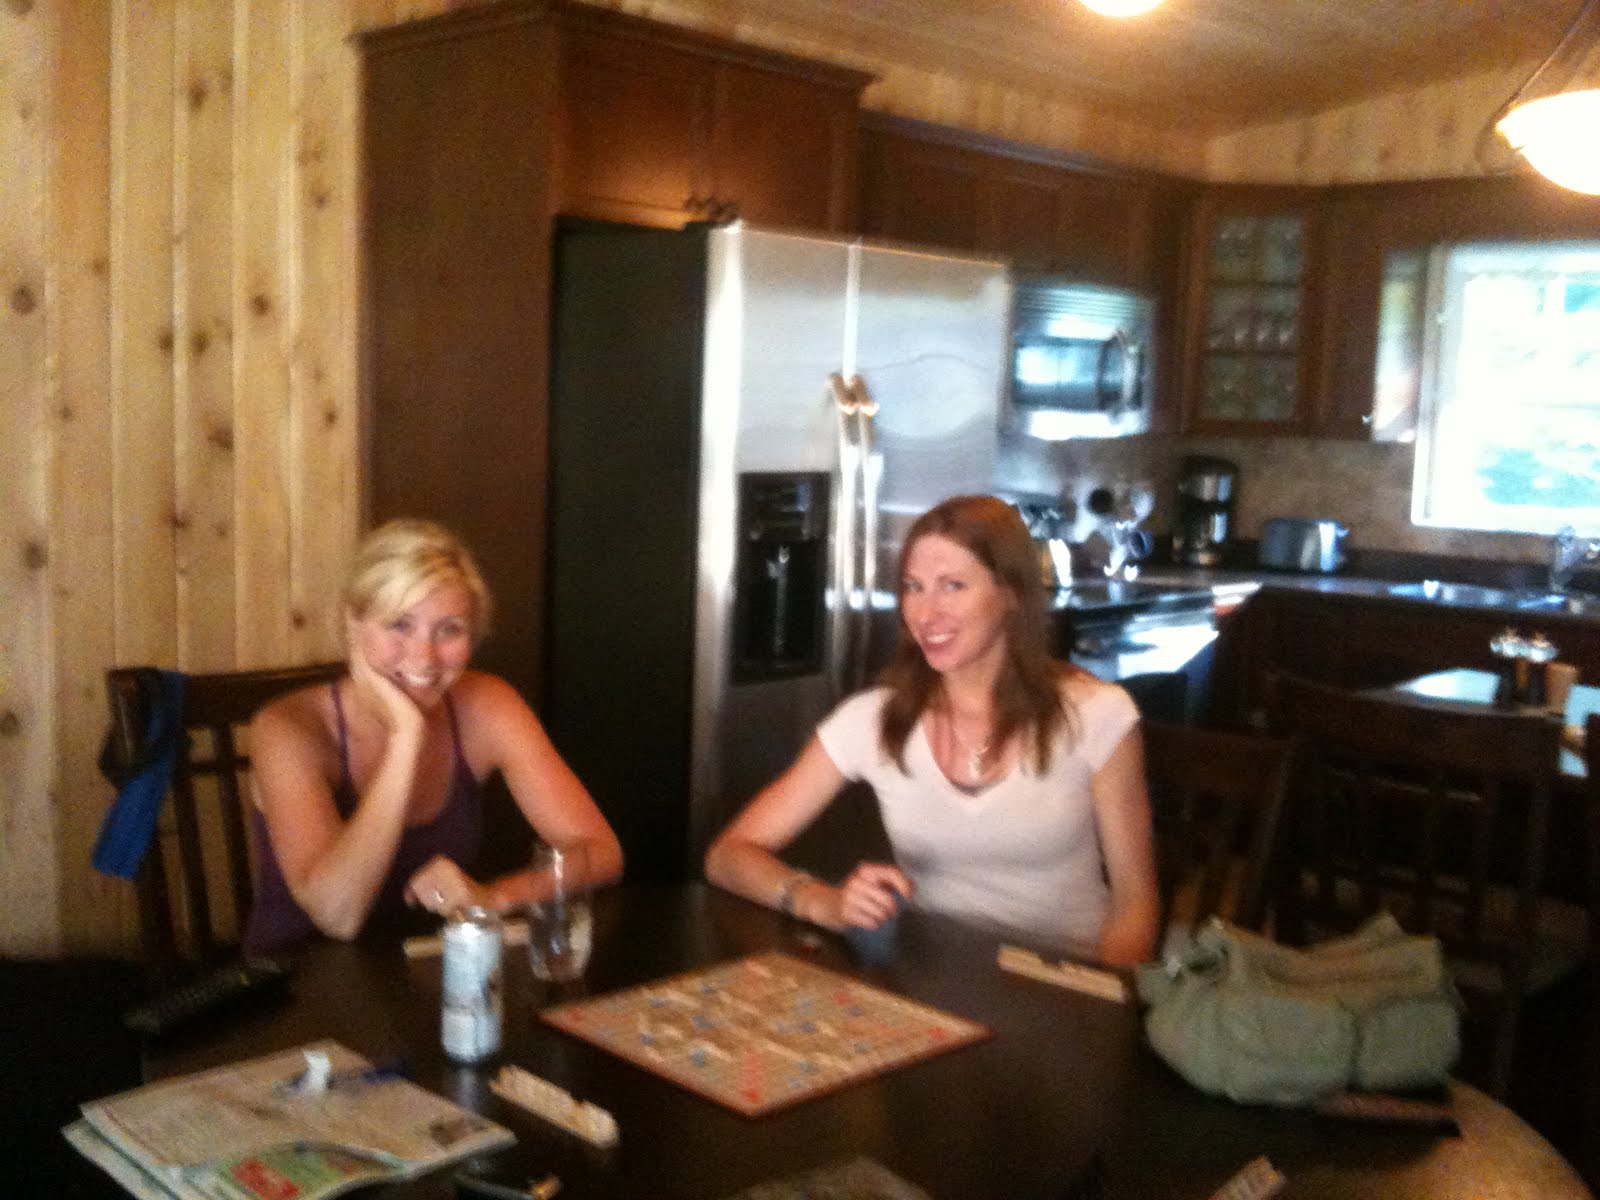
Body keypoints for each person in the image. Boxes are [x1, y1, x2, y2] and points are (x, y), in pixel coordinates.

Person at [704, 494, 1159, 966]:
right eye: (913, 587)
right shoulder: (873, 720)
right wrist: (822, 902)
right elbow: (728, 855)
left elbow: (1135, 906)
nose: (925, 613)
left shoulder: (1097, 716)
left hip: (1063, 982)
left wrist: (1102, 999)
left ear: (1011, 594)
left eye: (952, 586)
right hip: (932, 979)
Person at [243, 518, 623, 955]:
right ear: (354, 622)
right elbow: (337, 915)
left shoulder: (486, 704)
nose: (424, 657)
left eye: (449, 630)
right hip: (299, 977)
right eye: (399, 625)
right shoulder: (287, 729)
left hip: (427, 965)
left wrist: (494, 897)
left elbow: (600, 851)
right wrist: (406, 736)